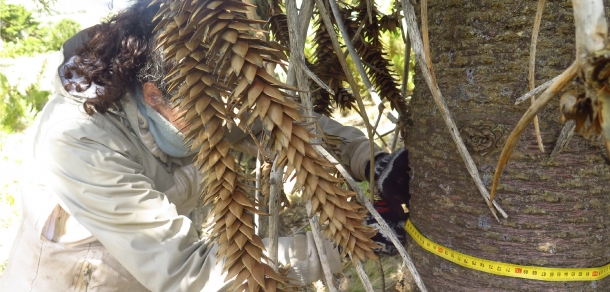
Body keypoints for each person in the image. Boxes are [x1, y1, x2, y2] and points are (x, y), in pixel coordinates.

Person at [0, 1, 410, 291]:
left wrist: (372, 161)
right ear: (155, 95)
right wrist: (349, 242)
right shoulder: (77, 139)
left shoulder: (197, 98)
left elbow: (283, 126)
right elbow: (187, 270)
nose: (230, 116)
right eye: (219, 104)